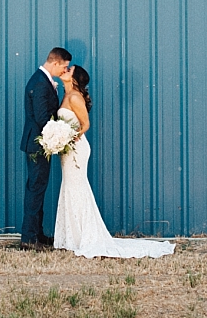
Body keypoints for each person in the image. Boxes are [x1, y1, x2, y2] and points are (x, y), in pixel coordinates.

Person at [53, 65, 174, 259]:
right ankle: (72, 237)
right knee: (69, 187)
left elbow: (85, 125)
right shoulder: (66, 95)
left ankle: (85, 236)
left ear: (74, 78)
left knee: (76, 187)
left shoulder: (75, 97)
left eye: (69, 69)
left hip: (76, 148)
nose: (65, 70)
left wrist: (68, 136)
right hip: (67, 150)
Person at [19, 47, 71, 250]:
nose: (64, 71)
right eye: (64, 66)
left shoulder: (41, 80)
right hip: (37, 144)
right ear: (55, 62)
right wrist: (58, 132)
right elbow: (43, 118)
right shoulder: (40, 83)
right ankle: (29, 238)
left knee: (37, 188)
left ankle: (36, 234)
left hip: (40, 143)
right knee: (35, 189)